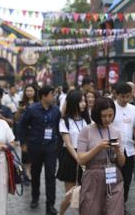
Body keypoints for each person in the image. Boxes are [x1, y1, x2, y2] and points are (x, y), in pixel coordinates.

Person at [77, 97, 126, 214]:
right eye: (104, 116)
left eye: (110, 115)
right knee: (91, 210)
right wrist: (98, 147)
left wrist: (118, 150)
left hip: (113, 175)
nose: (107, 119)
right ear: (97, 114)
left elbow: (122, 162)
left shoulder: (116, 132)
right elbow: (81, 159)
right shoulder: (86, 130)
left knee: (115, 211)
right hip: (93, 175)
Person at [20, 85, 62, 215]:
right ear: (44, 96)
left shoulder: (56, 110)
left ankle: (50, 205)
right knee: (36, 174)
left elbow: (57, 127)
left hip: (50, 148)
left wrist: (58, 146)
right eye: (51, 94)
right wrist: (23, 143)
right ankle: (35, 197)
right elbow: (22, 125)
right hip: (35, 147)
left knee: (50, 176)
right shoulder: (32, 110)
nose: (54, 97)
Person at [56, 90, 90, 215]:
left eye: (84, 101)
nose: (84, 104)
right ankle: (61, 213)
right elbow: (68, 144)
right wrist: (79, 159)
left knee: (85, 193)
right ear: (73, 102)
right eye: (81, 101)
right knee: (70, 195)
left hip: (86, 155)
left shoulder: (87, 119)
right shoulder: (64, 121)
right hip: (71, 157)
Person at [112, 82, 135, 204]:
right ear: (116, 95)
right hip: (114, 150)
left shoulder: (133, 109)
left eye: (127, 96)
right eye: (122, 97)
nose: (125, 99)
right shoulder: (111, 107)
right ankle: (113, 205)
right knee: (114, 180)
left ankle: (122, 204)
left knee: (127, 179)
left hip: (129, 150)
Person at [14, 84, 38, 184]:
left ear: (35, 92)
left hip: (36, 131)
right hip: (25, 131)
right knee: (25, 153)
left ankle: (31, 173)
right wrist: (20, 110)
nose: (29, 93)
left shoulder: (38, 103)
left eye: (31, 91)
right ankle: (26, 174)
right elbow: (16, 118)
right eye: (27, 91)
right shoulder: (22, 103)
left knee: (34, 154)